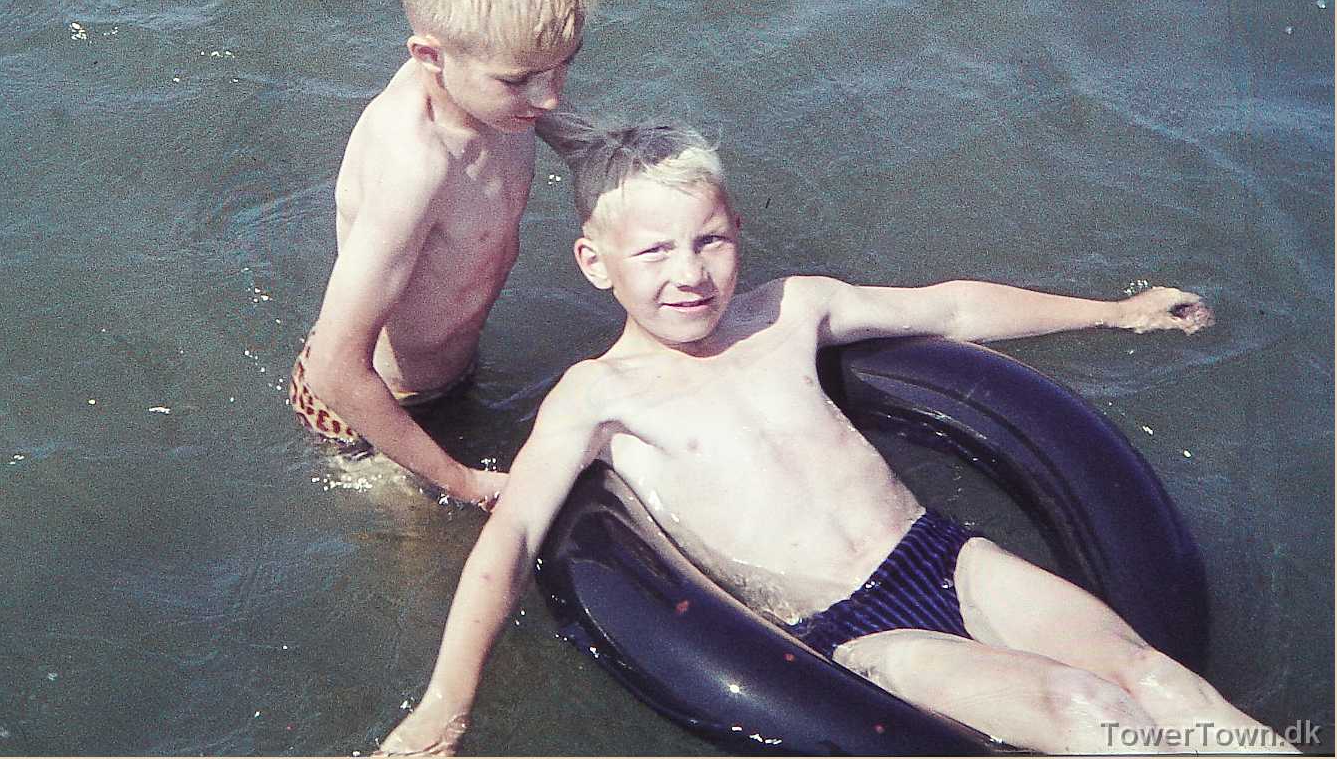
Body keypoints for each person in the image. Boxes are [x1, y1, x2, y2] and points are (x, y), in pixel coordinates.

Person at [376, 118, 1295, 755]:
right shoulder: (599, 396)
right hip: (850, 629)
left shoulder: (789, 311)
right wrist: (446, 703)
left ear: (737, 230)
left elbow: (950, 309)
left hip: (942, 555)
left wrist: (1115, 312)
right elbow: (512, 538)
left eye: (709, 240)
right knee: (1083, 705)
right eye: (653, 252)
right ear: (594, 263)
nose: (690, 274)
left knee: (1155, 678)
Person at [289, 0, 607, 506]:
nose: (549, 98)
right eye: (520, 80)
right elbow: (335, 367)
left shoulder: (497, 94)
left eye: (562, 67)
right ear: (430, 57)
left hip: (451, 371)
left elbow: (551, 115)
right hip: (365, 408)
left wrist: (616, 153)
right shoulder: (416, 165)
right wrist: (464, 482)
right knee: (426, 542)